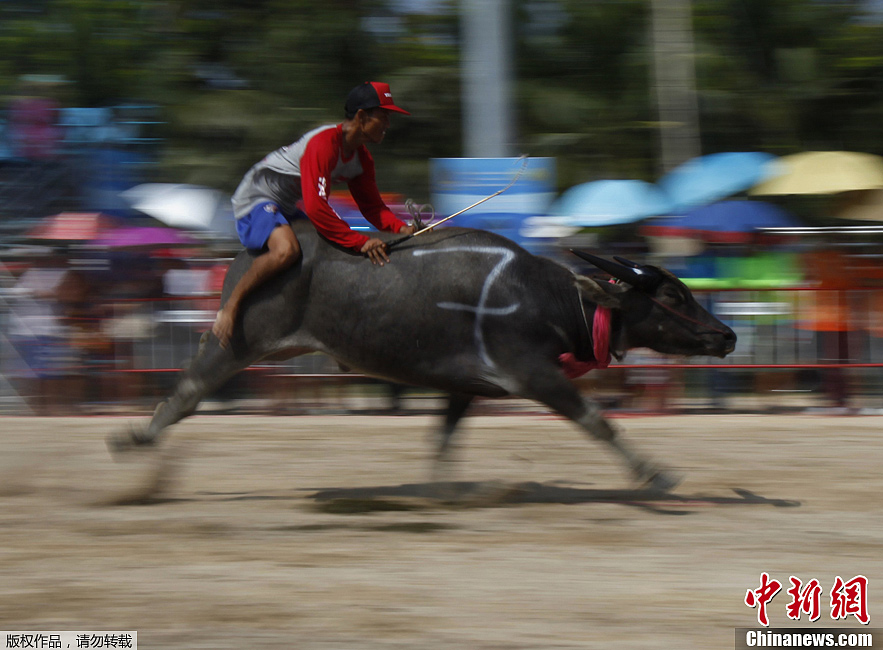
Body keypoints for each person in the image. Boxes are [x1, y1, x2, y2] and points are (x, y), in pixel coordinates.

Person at [212, 81, 416, 347]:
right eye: (384, 116)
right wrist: (360, 241)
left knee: (329, 252)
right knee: (286, 251)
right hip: (256, 199)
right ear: (362, 117)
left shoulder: (362, 159)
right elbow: (317, 208)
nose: (388, 124)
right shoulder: (323, 144)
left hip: (286, 205)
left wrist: (401, 229)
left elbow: (372, 207)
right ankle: (231, 307)